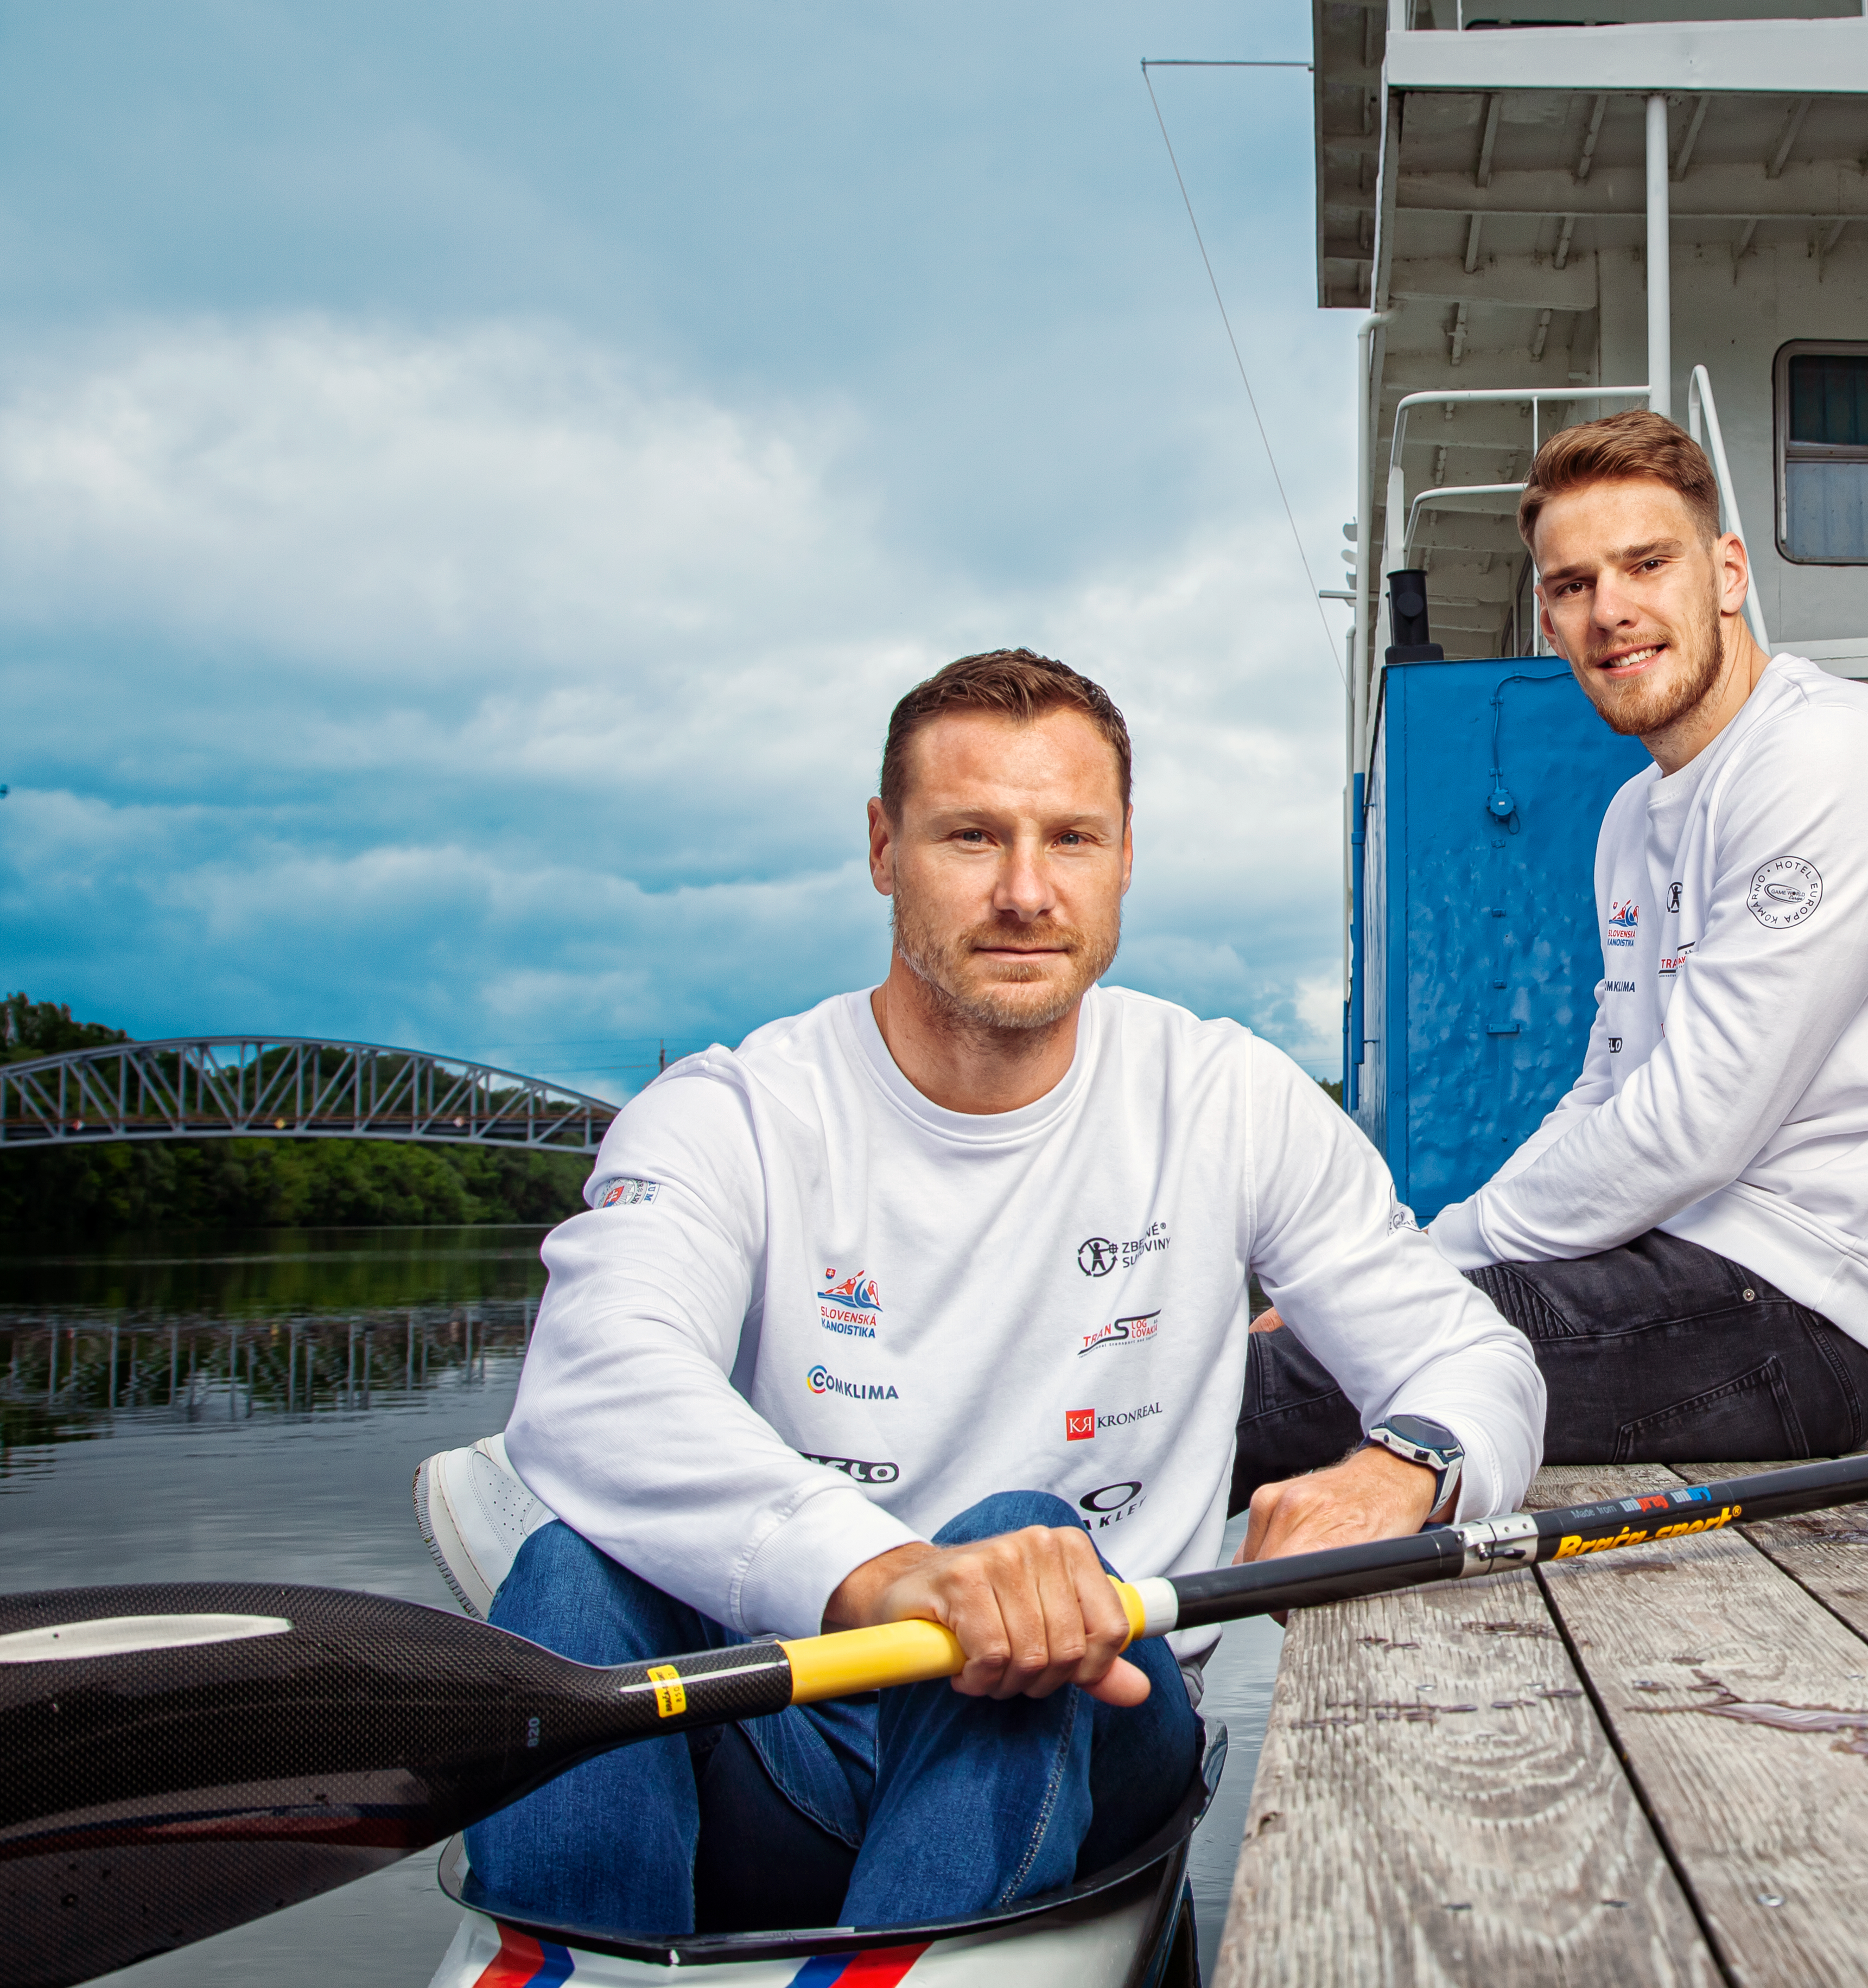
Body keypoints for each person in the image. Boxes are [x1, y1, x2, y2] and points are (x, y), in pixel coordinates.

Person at [469, 649, 1544, 1938]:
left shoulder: (1225, 1099)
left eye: (1071, 838)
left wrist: (1408, 1467)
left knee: (1031, 1537)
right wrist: (895, 1578)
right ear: (883, 848)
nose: (1027, 891)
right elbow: (596, 1383)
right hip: (798, 1738)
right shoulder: (730, 1113)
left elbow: (1479, 1366)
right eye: (972, 836)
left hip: (1102, 1735)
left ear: (1126, 855)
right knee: (569, 1574)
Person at [1240, 409, 1868, 1489]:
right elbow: (1608, 1090)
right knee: (1306, 1341)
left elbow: (1696, 1122)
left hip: (1803, 1314)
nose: (1613, 611)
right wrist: (1414, 1260)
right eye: (1572, 585)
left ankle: (989, 1590)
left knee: (1294, 1378)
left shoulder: (1831, 758)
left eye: (1647, 563)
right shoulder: (1635, 818)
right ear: (1551, 622)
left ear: (1727, 573)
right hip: (1684, 1257)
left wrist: (1413, 1266)